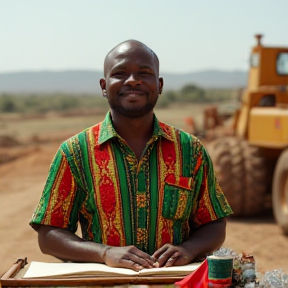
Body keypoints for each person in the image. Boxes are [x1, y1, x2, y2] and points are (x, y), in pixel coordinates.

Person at [30, 39, 233, 272]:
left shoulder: (190, 150)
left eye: (144, 73)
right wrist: (104, 253)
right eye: (120, 73)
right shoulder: (75, 152)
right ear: (104, 86)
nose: (133, 80)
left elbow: (215, 224)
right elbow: (48, 235)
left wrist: (189, 249)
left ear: (159, 84)